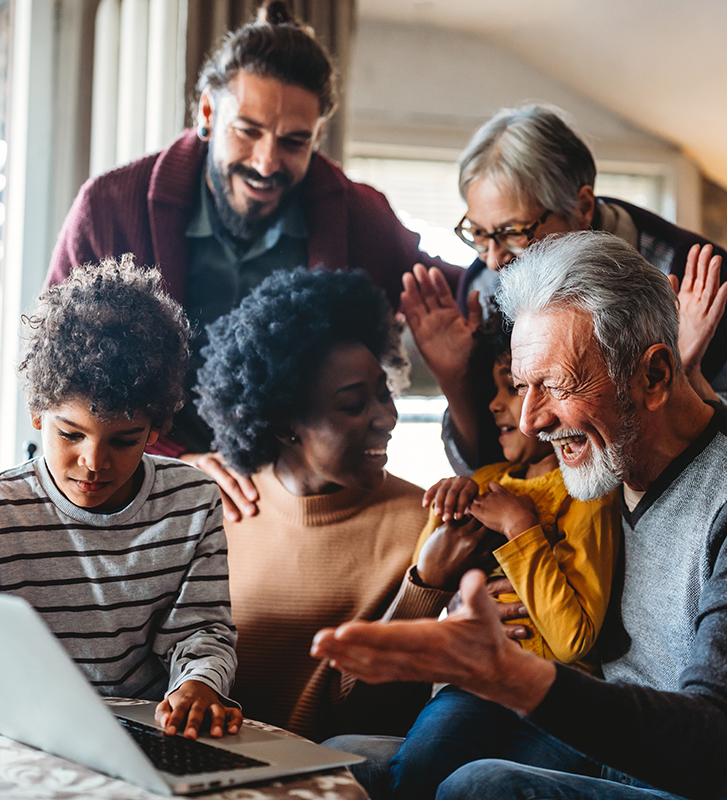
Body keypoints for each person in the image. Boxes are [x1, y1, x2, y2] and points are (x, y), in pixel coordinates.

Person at [313, 231, 727, 800]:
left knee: (480, 787)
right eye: (523, 386)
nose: (530, 422)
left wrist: (515, 677)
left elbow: (721, 750)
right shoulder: (610, 455)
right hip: (611, 749)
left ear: (654, 377)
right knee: (335, 760)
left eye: (556, 386)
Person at [46, 1, 460, 522]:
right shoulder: (109, 206)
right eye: (247, 130)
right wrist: (176, 467)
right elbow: (58, 379)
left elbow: (454, 291)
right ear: (207, 114)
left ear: (317, 136)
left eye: (294, 142)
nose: (267, 162)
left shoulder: (357, 211)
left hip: (292, 502)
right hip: (142, 488)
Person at [195, 268, 486, 743]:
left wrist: (424, 588)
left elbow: (369, 731)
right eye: (353, 405)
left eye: (384, 391)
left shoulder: (427, 524)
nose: (386, 417)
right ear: (286, 423)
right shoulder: (221, 505)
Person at [401, 104, 727, 474]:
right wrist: (458, 380)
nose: (494, 259)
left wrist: (686, 375)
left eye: (514, 232)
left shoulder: (693, 277)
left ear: (582, 206)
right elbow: (496, 453)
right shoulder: (485, 283)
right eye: (479, 234)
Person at [1, 257, 241, 741]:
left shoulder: (191, 501)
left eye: (124, 441)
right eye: (71, 434)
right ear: (37, 412)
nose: (93, 462)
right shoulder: (6, 510)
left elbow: (202, 631)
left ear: (157, 429)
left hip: (145, 732)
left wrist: (198, 684)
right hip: (25, 736)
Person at [385, 312, 620, 800]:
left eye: (511, 387)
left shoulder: (586, 491)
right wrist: (446, 510)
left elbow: (573, 640)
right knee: (422, 764)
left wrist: (521, 527)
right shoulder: (486, 479)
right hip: (477, 682)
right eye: (497, 389)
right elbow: (437, 585)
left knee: (488, 787)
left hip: (560, 694)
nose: (495, 404)